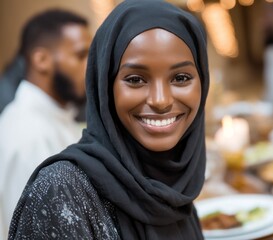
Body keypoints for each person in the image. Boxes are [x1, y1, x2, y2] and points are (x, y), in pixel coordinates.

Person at [8, 0, 209, 239]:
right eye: (135, 79)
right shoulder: (60, 191)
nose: (161, 100)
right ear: (106, 87)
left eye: (181, 77)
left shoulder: (174, 185)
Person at [0, 9, 91, 235]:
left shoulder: (55, 117)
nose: (90, 67)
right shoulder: (30, 137)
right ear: (41, 60)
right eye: (81, 55)